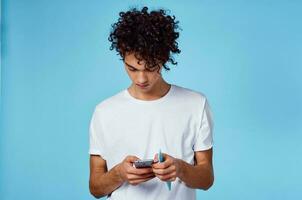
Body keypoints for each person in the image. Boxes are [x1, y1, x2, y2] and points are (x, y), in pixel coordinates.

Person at [88, 6, 214, 200]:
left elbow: (206, 179)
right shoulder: (104, 111)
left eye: (150, 68)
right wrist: (119, 174)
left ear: (163, 58)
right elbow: (95, 188)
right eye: (131, 68)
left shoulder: (196, 104)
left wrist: (179, 168)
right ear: (122, 55)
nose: (141, 79)